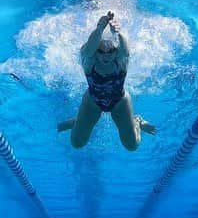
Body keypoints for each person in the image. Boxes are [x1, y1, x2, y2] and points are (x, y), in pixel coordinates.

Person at [58, 11, 155, 151]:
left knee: (132, 145)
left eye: (110, 52)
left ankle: (137, 121)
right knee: (77, 143)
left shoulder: (121, 63)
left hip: (120, 102)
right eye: (101, 52)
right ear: (95, 52)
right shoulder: (89, 63)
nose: (106, 56)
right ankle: (78, 121)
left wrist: (118, 33)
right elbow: (87, 50)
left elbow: (126, 51)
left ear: (116, 52)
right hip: (92, 102)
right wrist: (99, 28)